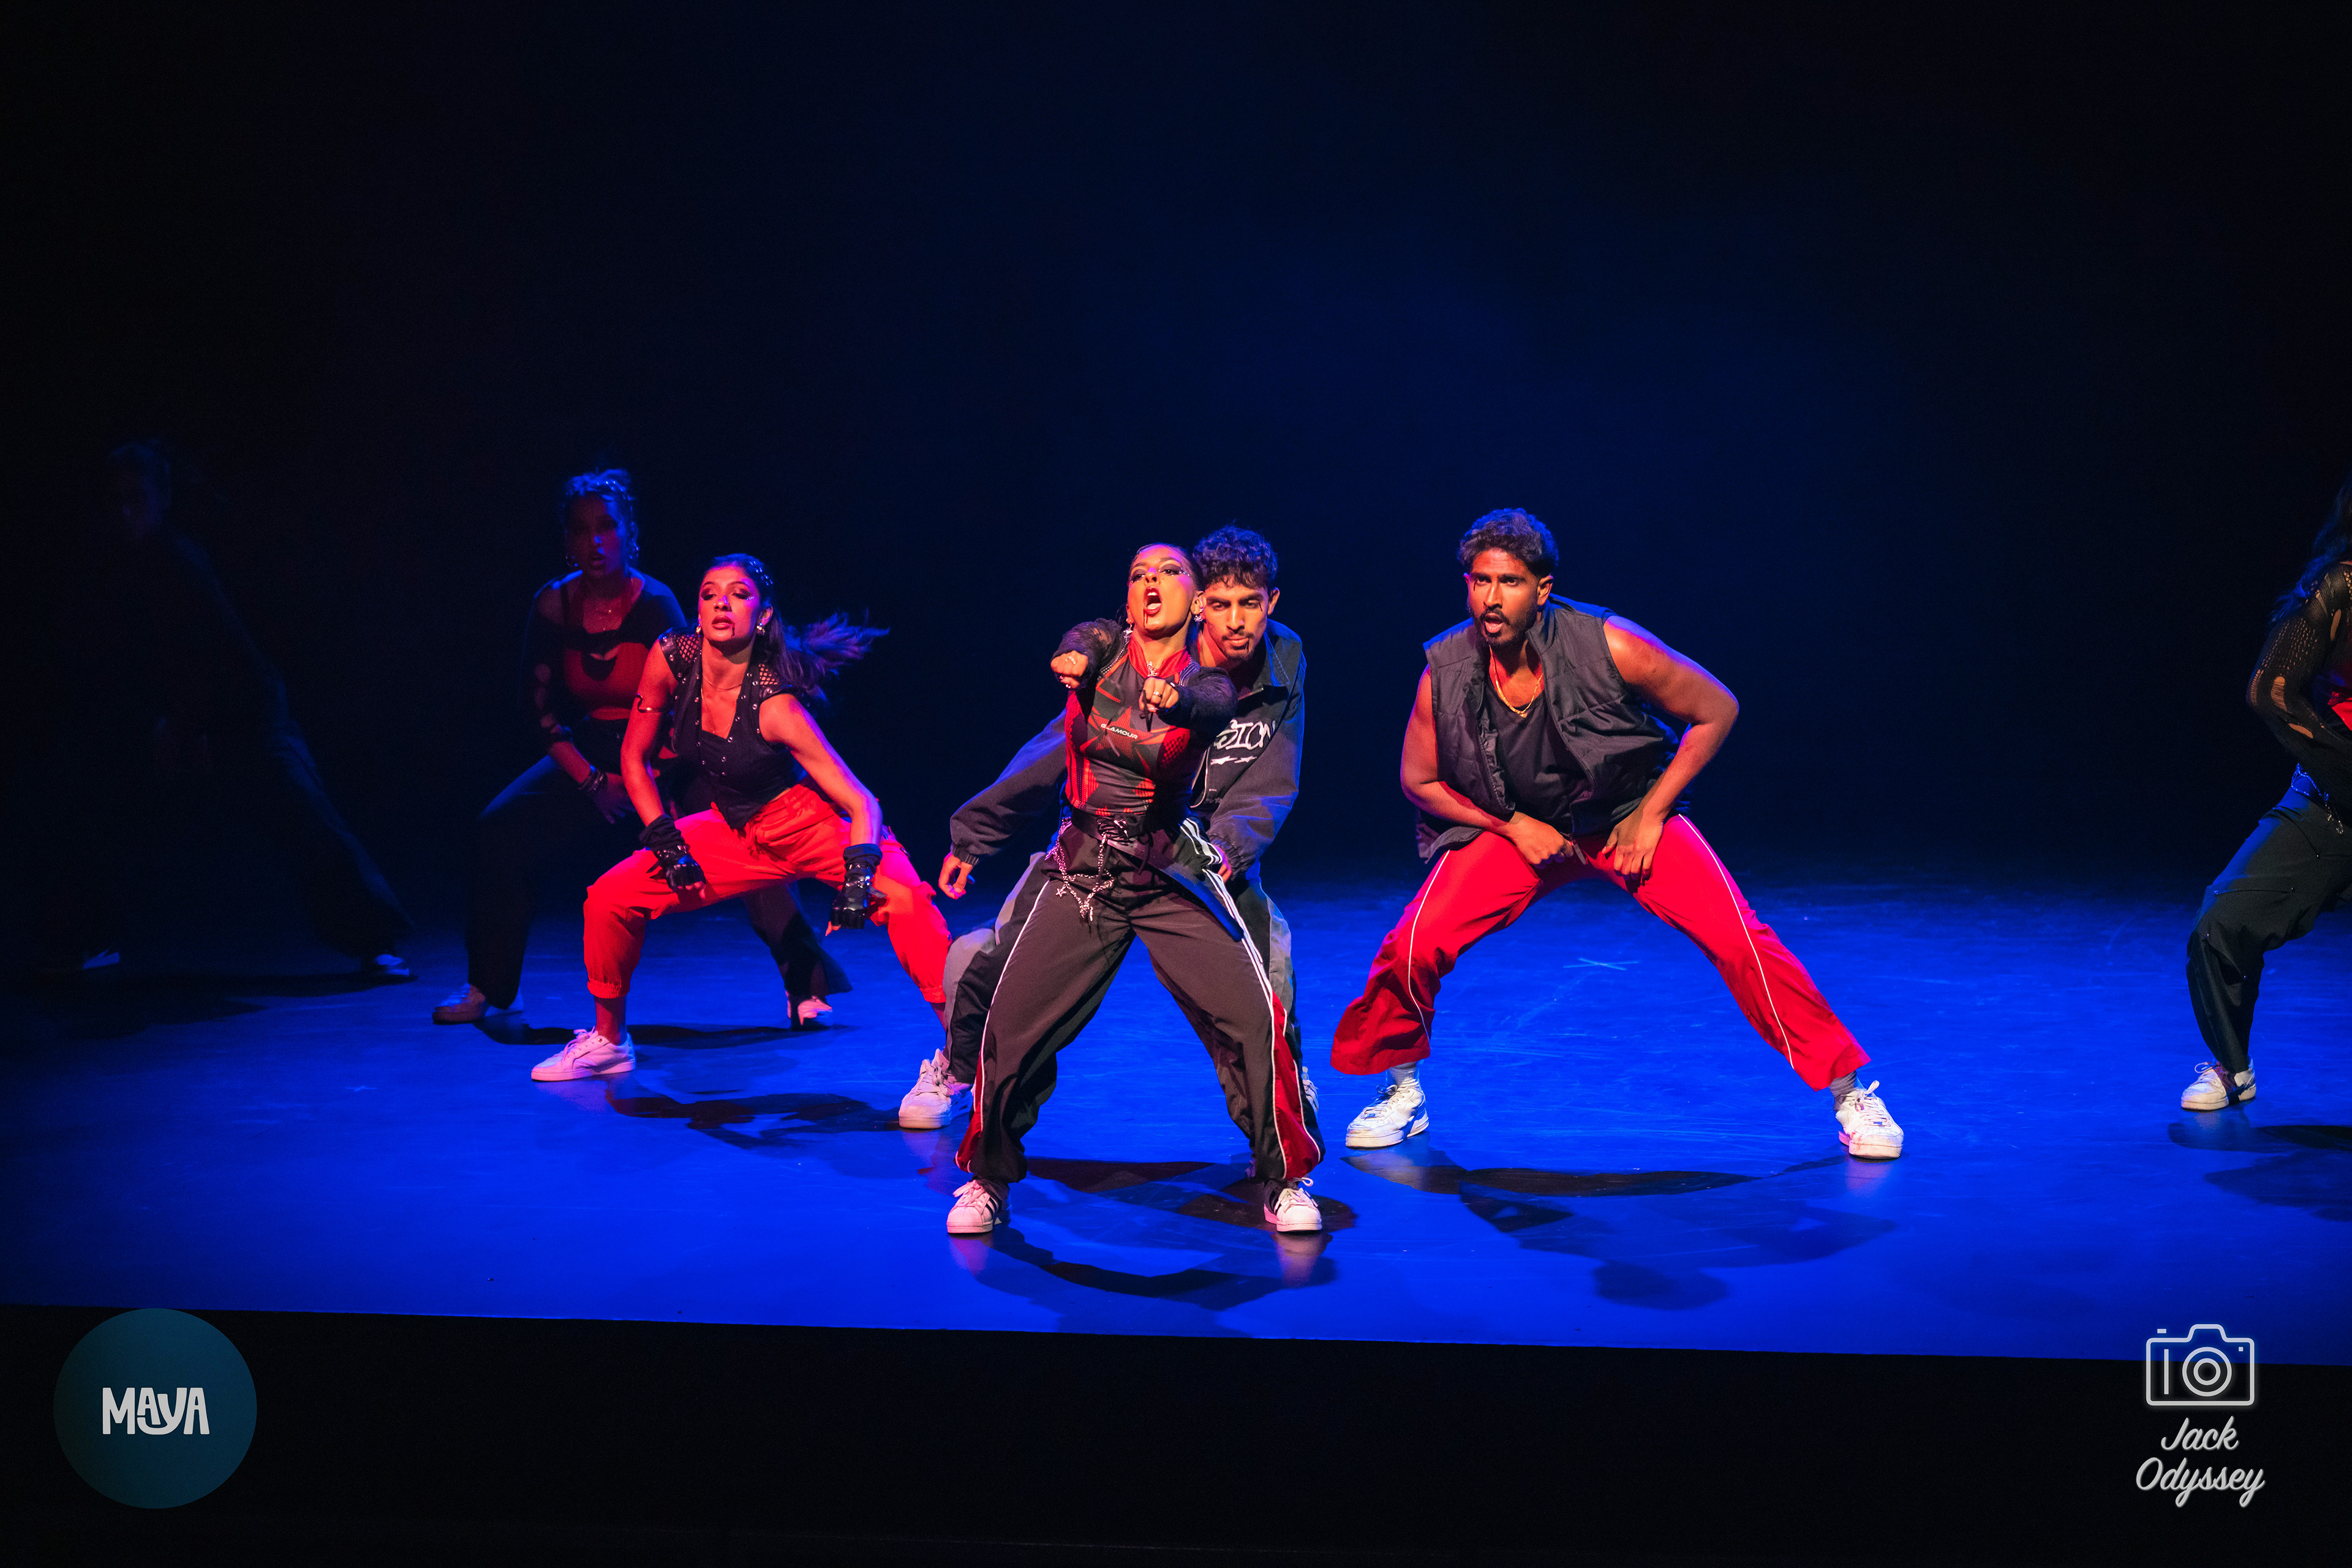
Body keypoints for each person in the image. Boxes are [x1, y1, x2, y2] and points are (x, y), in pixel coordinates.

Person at [1329, 508, 1903, 1159]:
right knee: (1414, 942)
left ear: (1542, 589)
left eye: (1510, 582)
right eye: (1480, 581)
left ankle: (1850, 1092)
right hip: (1522, 830)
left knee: (1739, 939)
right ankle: (1402, 1088)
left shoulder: (1610, 644)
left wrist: (1652, 813)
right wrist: (1511, 825)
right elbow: (1419, 779)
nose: (1491, 598)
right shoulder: (1447, 668)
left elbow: (1716, 710)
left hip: (1622, 816)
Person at [944, 542, 1324, 1235]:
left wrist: (1178, 706)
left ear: (1195, 599)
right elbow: (1073, 671)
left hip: (1176, 861)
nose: (1153, 584)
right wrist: (973, 835)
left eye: (1169, 573)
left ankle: (1284, 1175)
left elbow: (1216, 707)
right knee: (1011, 1007)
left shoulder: (1218, 676)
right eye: (1139, 575)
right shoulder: (1100, 651)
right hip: (1085, 863)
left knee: (1257, 1008)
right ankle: (984, 1167)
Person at [431, 471, 844, 1028]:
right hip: (592, 753)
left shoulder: (654, 603)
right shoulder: (554, 605)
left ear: (629, 534)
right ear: (567, 540)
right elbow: (537, 710)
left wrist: (655, 781)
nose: (595, 542)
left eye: (607, 527)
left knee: (749, 832)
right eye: (582, 530)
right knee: (498, 830)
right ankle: (491, 985)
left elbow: (693, 699)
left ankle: (805, 987)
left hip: (672, 751)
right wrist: (592, 782)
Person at [532, 554, 951, 1081]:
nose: (721, 604)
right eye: (710, 594)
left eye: (739, 594)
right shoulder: (671, 657)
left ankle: (967, 1054)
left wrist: (859, 876)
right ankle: (609, 1040)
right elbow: (633, 759)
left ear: (764, 614)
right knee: (610, 897)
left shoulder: (776, 706)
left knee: (909, 902)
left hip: (810, 824)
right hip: (735, 828)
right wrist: (665, 839)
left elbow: (862, 801)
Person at [45, 440, 413, 979]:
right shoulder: (110, 569)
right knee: (94, 801)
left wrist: (191, 728)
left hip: (247, 710)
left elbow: (230, 657)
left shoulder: (182, 561)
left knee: (301, 811)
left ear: (163, 498)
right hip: (183, 716)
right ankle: (86, 937)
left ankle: (373, 939)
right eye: (115, 501)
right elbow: (115, 663)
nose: (124, 512)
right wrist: (164, 725)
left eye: (136, 499)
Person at [2180, 470, 2352, 1110]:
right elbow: (2271, 689)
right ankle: (2232, 1066)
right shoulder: (2341, 587)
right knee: (2220, 923)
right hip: (2330, 807)